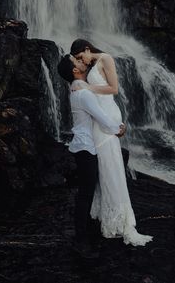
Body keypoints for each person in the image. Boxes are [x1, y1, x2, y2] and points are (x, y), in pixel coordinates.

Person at [70, 39, 153, 246]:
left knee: (113, 166)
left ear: (88, 49)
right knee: (105, 169)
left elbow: (114, 89)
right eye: (78, 60)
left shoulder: (106, 58)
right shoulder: (87, 70)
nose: (81, 61)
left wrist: (87, 88)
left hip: (107, 117)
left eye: (81, 56)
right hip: (99, 122)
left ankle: (119, 219)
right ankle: (105, 215)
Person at [57, 54, 126, 258]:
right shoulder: (83, 93)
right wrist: (118, 128)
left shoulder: (77, 88)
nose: (82, 61)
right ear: (75, 71)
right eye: (77, 61)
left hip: (84, 147)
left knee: (87, 191)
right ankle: (80, 240)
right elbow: (101, 116)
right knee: (85, 193)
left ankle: (86, 231)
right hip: (86, 148)